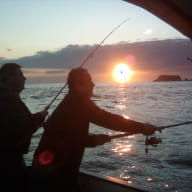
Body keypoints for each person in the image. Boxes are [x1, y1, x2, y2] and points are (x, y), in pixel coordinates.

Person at [32, 67, 157, 192]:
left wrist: (95, 140)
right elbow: (109, 120)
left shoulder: (68, 102)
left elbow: (69, 138)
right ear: (78, 85)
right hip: (56, 172)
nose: (93, 84)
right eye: (89, 80)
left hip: (48, 169)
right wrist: (142, 127)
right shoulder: (79, 102)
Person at [0, 63, 47, 191]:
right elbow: (19, 129)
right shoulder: (7, 100)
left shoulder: (7, 98)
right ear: (8, 78)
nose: (24, 78)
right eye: (20, 75)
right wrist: (39, 118)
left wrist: (38, 117)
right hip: (8, 163)